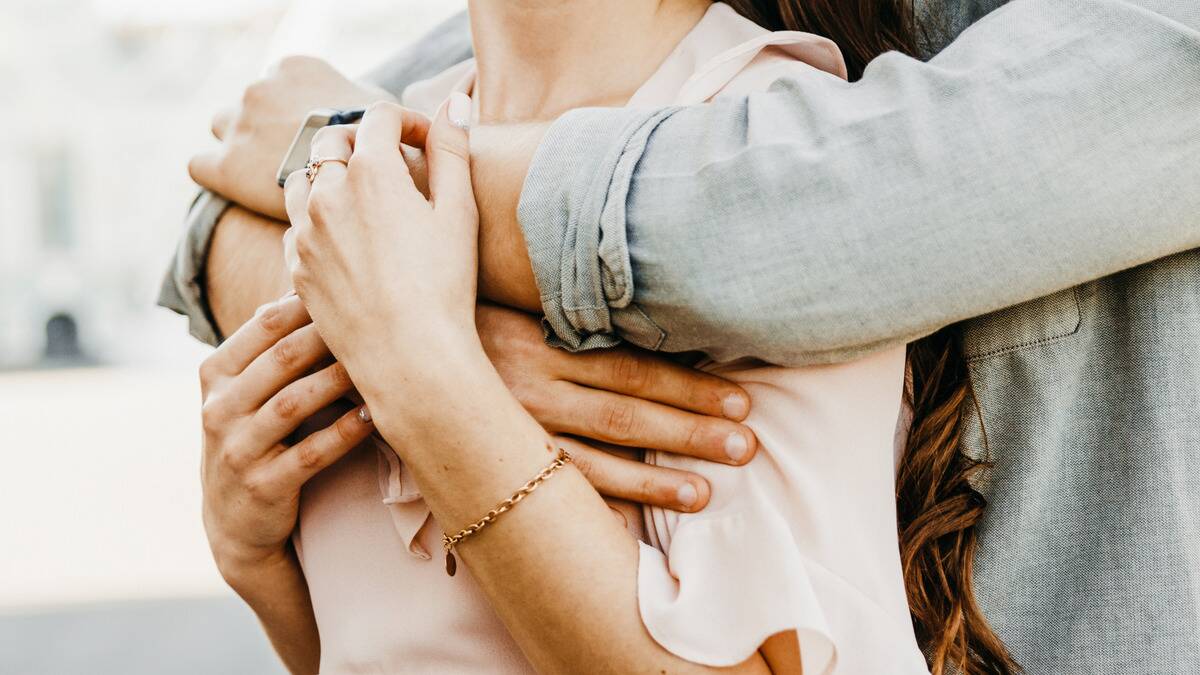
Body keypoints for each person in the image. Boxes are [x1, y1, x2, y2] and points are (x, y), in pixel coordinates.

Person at [163, 2, 1200, 674]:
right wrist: (257, 564)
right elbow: (220, 197)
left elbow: (774, 220)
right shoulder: (428, 105)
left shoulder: (767, 123)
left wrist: (420, 356)